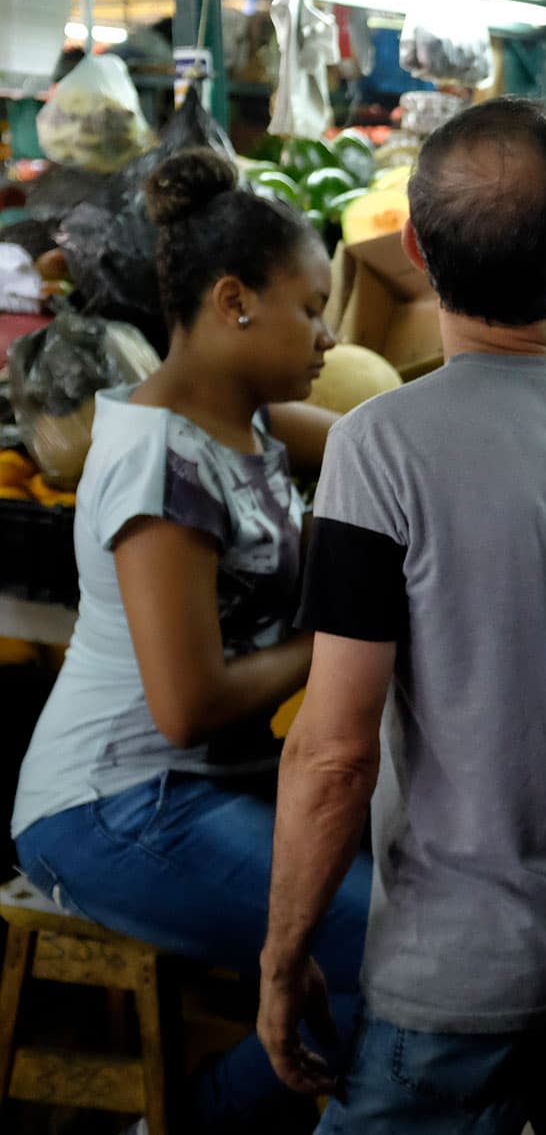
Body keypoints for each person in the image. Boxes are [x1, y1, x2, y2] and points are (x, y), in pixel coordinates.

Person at [256, 98, 546, 1133]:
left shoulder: (379, 449)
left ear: (415, 253)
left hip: (455, 976)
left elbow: (332, 756)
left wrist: (283, 960)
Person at [10, 147, 369, 1134]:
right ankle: (197, 1121)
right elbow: (189, 706)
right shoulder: (159, 464)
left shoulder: (245, 421)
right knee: (387, 942)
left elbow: (383, 449)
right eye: (311, 305)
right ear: (233, 302)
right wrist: (354, 635)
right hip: (117, 803)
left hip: (206, 787)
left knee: (436, 901)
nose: (329, 334)